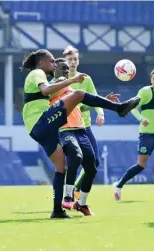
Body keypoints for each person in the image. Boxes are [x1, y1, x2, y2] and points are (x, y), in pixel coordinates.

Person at [20, 49, 140, 218]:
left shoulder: (43, 77)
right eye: (52, 61)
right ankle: (119, 109)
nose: (54, 64)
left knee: (61, 167)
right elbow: (46, 90)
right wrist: (73, 80)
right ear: (41, 62)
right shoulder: (37, 73)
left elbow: (57, 97)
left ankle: (57, 210)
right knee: (79, 93)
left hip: (40, 130)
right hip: (40, 122)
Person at [49, 58, 119, 216]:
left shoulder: (71, 88)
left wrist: (103, 102)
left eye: (68, 70)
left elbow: (82, 106)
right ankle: (68, 195)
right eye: (63, 69)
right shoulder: (51, 87)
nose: (66, 72)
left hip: (80, 129)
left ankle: (82, 203)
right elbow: (50, 96)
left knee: (92, 167)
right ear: (54, 69)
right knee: (75, 156)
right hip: (64, 130)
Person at [112, 69, 154, 201]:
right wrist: (142, 119)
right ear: (151, 80)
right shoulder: (145, 92)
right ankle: (119, 185)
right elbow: (133, 107)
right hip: (146, 135)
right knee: (141, 165)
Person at [62, 46, 104, 200]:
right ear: (65, 61)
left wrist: (100, 112)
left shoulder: (86, 79)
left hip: (85, 127)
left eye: (75, 59)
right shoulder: (61, 80)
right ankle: (67, 194)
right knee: (73, 161)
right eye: (70, 59)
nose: (73, 62)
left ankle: (76, 190)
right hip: (68, 127)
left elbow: (95, 98)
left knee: (95, 162)